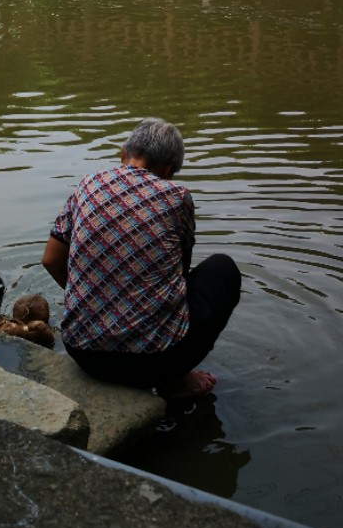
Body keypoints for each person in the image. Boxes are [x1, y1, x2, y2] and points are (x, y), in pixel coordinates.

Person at [41, 117, 241, 398]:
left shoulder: (88, 184)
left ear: (123, 154)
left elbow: (50, 260)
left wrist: (94, 298)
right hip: (154, 363)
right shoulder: (177, 196)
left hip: (83, 352)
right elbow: (179, 276)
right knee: (223, 268)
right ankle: (176, 381)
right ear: (168, 170)